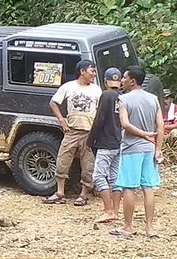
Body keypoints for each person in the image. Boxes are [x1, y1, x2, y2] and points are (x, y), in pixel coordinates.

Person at [111, 65, 163, 239]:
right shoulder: (153, 99)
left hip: (131, 149)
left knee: (129, 188)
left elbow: (125, 124)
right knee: (148, 187)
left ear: (132, 81)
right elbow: (160, 125)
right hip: (149, 150)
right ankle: (150, 229)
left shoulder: (124, 99)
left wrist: (143, 134)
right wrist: (158, 148)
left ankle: (128, 227)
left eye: (124, 77)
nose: (122, 80)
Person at [43, 60, 102, 206]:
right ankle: (60, 192)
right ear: (82, 71)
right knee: (62, 160)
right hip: (71, 131)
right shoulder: (68, 87)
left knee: (88, 165)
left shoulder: (96, 90)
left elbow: (100, 109)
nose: (94, 74)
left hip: (89, 133)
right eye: (91, 71)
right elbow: (53, 103)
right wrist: (61, 120)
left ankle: (83, 194)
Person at [87, 67, 123, 224]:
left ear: (105, 81)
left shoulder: (106, 95)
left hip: (106, 142)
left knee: (99, 176)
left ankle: (108, 210)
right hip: (119, 142)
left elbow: (99, 119)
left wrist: (90, 140)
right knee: (115, 177)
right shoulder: (122, 97)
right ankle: (115, 210)